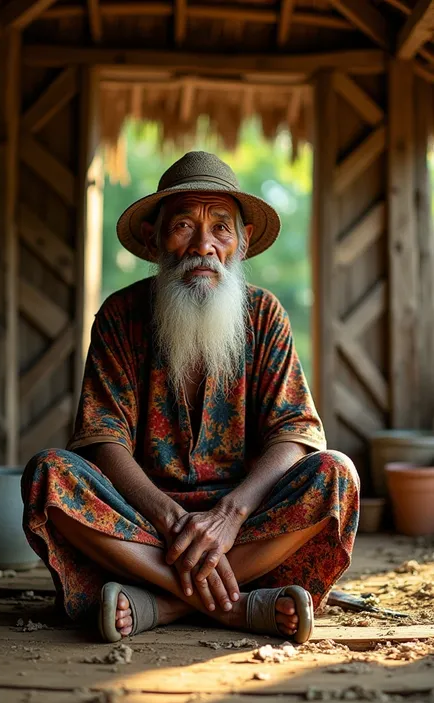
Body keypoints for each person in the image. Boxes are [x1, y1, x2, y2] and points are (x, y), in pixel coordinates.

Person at [22, 151, 359, 644]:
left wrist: (228, 515)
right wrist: (172, 518)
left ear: (241, 243)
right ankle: (235, 607)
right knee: (48, 474)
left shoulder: (265, 315)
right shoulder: (120, 316)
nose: (204, 245)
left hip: (242, 529)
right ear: (152, 238)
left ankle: (160, 604)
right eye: (183, 225)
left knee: (337, 476)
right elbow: (101, 439)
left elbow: (296, 433)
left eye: (221, 228)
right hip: (144, 524)